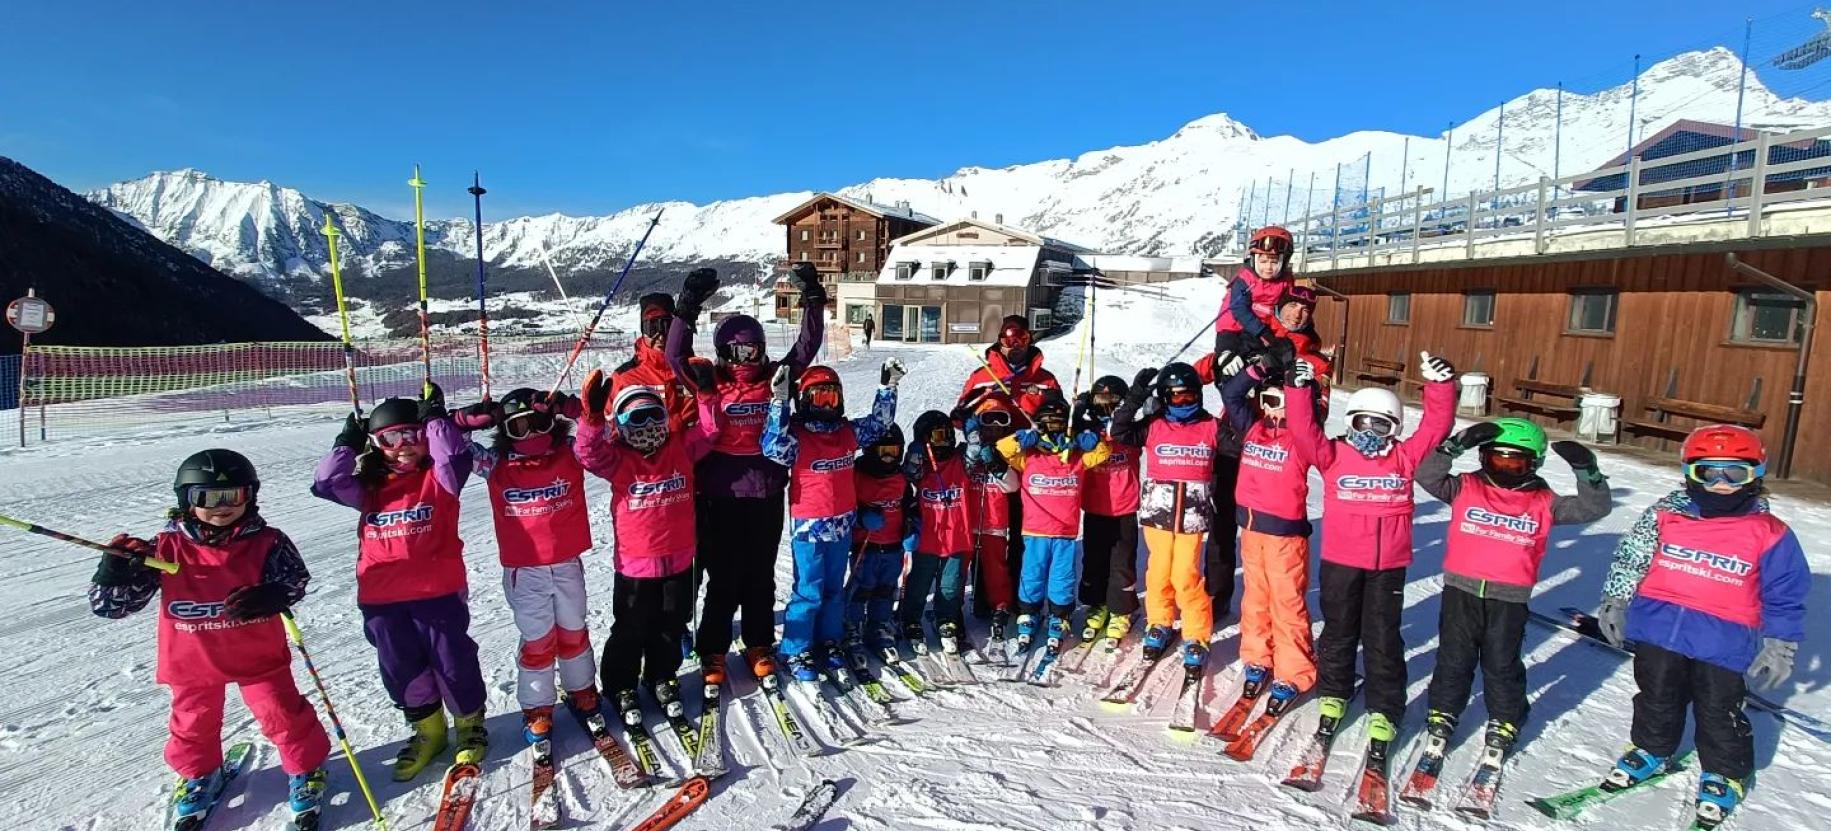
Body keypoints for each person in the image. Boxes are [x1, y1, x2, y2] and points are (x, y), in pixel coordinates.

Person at [90, 450, 330, 826]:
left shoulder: (267, 541)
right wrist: (114, 572)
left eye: (233, 496)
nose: (221, 507)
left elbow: (295, 579)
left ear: (250, 495)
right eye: (207, 498)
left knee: (282, 714)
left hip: (258, 657)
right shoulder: (163, 549)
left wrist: (276, 594)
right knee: (192, 724)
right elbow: (112, 608)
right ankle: (199, 775)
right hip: (191, 663)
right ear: (187, 500)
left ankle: (305, 768)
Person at [1589, 425, 1806, 828]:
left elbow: (1785, 592)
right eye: (1709, 473)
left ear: (1756, 475)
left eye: (1734, 474)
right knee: (1656, 695)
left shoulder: (1769, 533)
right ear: (1690, 472)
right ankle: (1652, 748)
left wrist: (1781, 643)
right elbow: (1631, 557)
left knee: (1718, 708)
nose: (1721, 484)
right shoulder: (1665, 513)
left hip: (1723, 640)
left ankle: (1726, 771)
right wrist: (1616, 600)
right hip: (1659, 629)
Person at [311, 386, 490, 781]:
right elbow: (326, 482)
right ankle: (428, 731)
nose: (402, 446)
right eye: (389, 439)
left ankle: (468, 725)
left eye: (412, 434)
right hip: (382, 599)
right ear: (375, 445)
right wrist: (347, 442)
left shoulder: (439, 479)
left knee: (452, 661)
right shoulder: (370, 488)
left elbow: (456, 455)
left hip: (437, 592)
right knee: (400, 667)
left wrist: (436, 419)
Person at [1283, 352, 1456, 754]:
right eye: (1365, 422)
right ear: (1352, 420)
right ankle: (1334, 690)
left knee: (1382, 636)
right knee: (1340, 631)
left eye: (1382, 424)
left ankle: (1385, 705)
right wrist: (1297, 388)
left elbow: (1435, 427)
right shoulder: (1332, 455)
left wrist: (1441, 388)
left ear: (1395, 427)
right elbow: (1302, 428)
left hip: (1387, 566)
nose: (1372, 431)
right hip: (1341, 562)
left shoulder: (1404, 457)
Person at [665, 263, 825, 686]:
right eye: (739, 352)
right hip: (720, 494)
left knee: (760, 573)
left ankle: (758, 642)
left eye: (754, 350)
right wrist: (687, 307)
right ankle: (713, 648)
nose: (747, 359)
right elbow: (673, 356)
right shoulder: (710, 381)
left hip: (767, 491)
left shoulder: (775, 378)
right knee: (723, 576)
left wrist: (813, 297)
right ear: (723, 352)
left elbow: (807, 347)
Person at [1414, 418, 1612, 755]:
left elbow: (1594, 507)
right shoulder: (1466, 487)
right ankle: (1444, 709)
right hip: (1461, 591)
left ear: (1532, 463)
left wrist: (1587, 472)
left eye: (1515, 461)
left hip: (1510, 597)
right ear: (1483, 458)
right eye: (1496, 459)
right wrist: (1455, 445)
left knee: (1502, 662)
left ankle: (1506, 716)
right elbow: (1426, 475)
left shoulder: (1544, 501)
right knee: (1454, 658)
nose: (1504, 467)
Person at [452, 388, 603, 748]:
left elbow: (601, 435)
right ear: (505, 432)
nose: (531, 434)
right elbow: (449, 445)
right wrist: (466, 420)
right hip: (525, 569)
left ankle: (581, 688)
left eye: (539, 424)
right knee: (538, 639)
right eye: (519, 428)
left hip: (566, 561)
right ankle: (537, 707)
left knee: (573, 629)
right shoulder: (496, 464)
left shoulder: (569, 453)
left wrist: (570, 407)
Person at [574, 372, 722, 724]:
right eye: (637, 419)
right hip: (636, 564)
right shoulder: (618, 459)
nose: (648, 426)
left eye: (654, 416)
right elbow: (587, 452)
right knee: (631, 627)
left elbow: (711, 431)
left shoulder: (680, 448)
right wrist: (592, 419)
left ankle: (661, 674)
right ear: (622, 426)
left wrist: (705, 395)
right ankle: (619, 682)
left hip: (680, 558)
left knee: (672, 623)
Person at [763, 360, 903, 681]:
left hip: (843, 525)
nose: (826, 405)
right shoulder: (796, 436)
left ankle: (829, 640)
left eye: (832, 398)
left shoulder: (845, 433)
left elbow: (879, 426)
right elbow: (772, 447)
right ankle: (797, 647)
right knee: (809, 591)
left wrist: (888, 388)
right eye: (818, 399)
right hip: (810, 529)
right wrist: (779, 402)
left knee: (834, 590)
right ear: (804, 401)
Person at [1218, 356, 1319, 712]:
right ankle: (1257, 657)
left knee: (1287, 603)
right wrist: (1256, 371)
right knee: (1255, 599)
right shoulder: (1254, 429)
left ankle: (1294, 672)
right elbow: (1231, 396)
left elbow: (1309, 421)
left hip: (1284, 535)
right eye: (1269, 400)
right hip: (1250, 528)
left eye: (1282, 402)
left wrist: (1300, 390)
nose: (1274, 409)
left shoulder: (1302, 438)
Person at [1108, 363, 1223, 671]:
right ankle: (1159, 621)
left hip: (1192, 515)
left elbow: (1237, 443)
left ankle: (1196, 634)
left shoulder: (1212, 427)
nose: (1183, 404)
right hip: (1158, 511)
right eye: (1176, 399)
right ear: (1164, 399)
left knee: (1186, 574)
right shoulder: (1153, 424)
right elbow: (1118, 431)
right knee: (1158, 570)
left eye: (1189, 398)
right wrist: (1135, 397)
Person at [995, 392, 1109, 652]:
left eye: (1060, 424)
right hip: (1034, 531)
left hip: (1064, 532)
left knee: (1062, 577)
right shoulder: (1029, 456)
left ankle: (1060, 613)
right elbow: (1002, 450)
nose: (1054, 431)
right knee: (1032, 574)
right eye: (1048, 425)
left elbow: (1103, 452)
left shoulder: (1076, 457)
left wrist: (1085, 432)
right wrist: (1023, 437)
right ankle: (1029, 611)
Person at [900, 410, 979, 653]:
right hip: (929, 538)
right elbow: (907, 475)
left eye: (947, 435)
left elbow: (975, 448)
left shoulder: (961, 461)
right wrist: (916, 451)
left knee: (951, 585)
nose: (943, 440)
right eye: (937, 436)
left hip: (957, 536)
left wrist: (969, 424)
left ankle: (946, 617)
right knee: (920, 583)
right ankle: (911, 617)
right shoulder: (922, 466)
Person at [1076, 376, 1142, 646]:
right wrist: (1078, 410)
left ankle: (1121, 609)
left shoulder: (1129, 430)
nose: (1107, 407)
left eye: (1114, 401)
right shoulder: (1087, 430)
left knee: (1121, 563)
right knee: (1094, 560)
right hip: (1094, 507)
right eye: (1101, 400)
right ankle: (1098, 603)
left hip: (1124, 507)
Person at [848, 424, 915, 654]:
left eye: (894, 452)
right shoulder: (857, 475)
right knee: (862, 588)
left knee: (886, 589)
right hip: (866, 545)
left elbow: (909, 506)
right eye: (884, 451)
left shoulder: (900, 478)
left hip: (893, 545)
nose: (888, 458)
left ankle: (878, 625)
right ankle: (852, 625)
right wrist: (861, 518)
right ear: (870, 450)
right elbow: (844, 509)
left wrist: (912, 527)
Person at [961, 397, 1022, 639]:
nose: (995, 426)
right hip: (966, 523)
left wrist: (998, 466)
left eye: (1001, 421)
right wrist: (971, 455)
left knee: (996, 567)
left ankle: (1000, 605)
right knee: (959, 568)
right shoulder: (968, 451)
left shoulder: (1008, 453)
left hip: (994, 523)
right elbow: (958, 477)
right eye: (988, 420)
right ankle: (956, 606)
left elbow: (1013, 485)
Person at [1214, 226, 1297, 375]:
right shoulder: (1245, 279)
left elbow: (1286, 308)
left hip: (1262, 329)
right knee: (1230, 357)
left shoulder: (1285, 282)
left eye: (1274, 262)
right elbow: (1239, 309)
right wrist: (1262, 332)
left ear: (1283, 262)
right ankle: (1227, 371)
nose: (1268, 267)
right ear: (1253, 260)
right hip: (1233, 329)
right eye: (1263, 261)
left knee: (1282, 349)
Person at [958, 315, 1061, 425]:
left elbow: (1060, 417)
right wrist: (962, 413)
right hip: (992, 439)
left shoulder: (1046, 380)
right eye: (1008, 342)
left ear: (1029, 342)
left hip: (1032, 439)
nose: (1015, 346)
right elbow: (959, 420)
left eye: (1022, 340)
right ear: (1000, 344)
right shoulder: (980, 377)